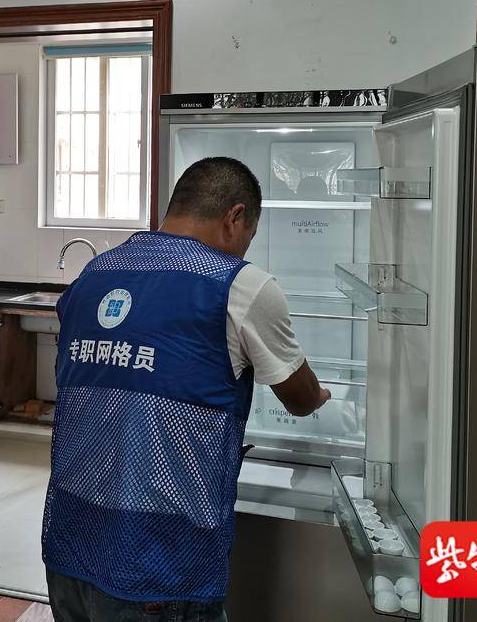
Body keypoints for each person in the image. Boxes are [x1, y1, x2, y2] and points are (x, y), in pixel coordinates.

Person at [42, 156, 330, 621]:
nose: (244, 249)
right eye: (250, 236)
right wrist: (322, 397)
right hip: (160, 563)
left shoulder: (94, 274)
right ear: (235, 217)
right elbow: (299, 398)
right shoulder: (240, 286)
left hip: (69, 545)